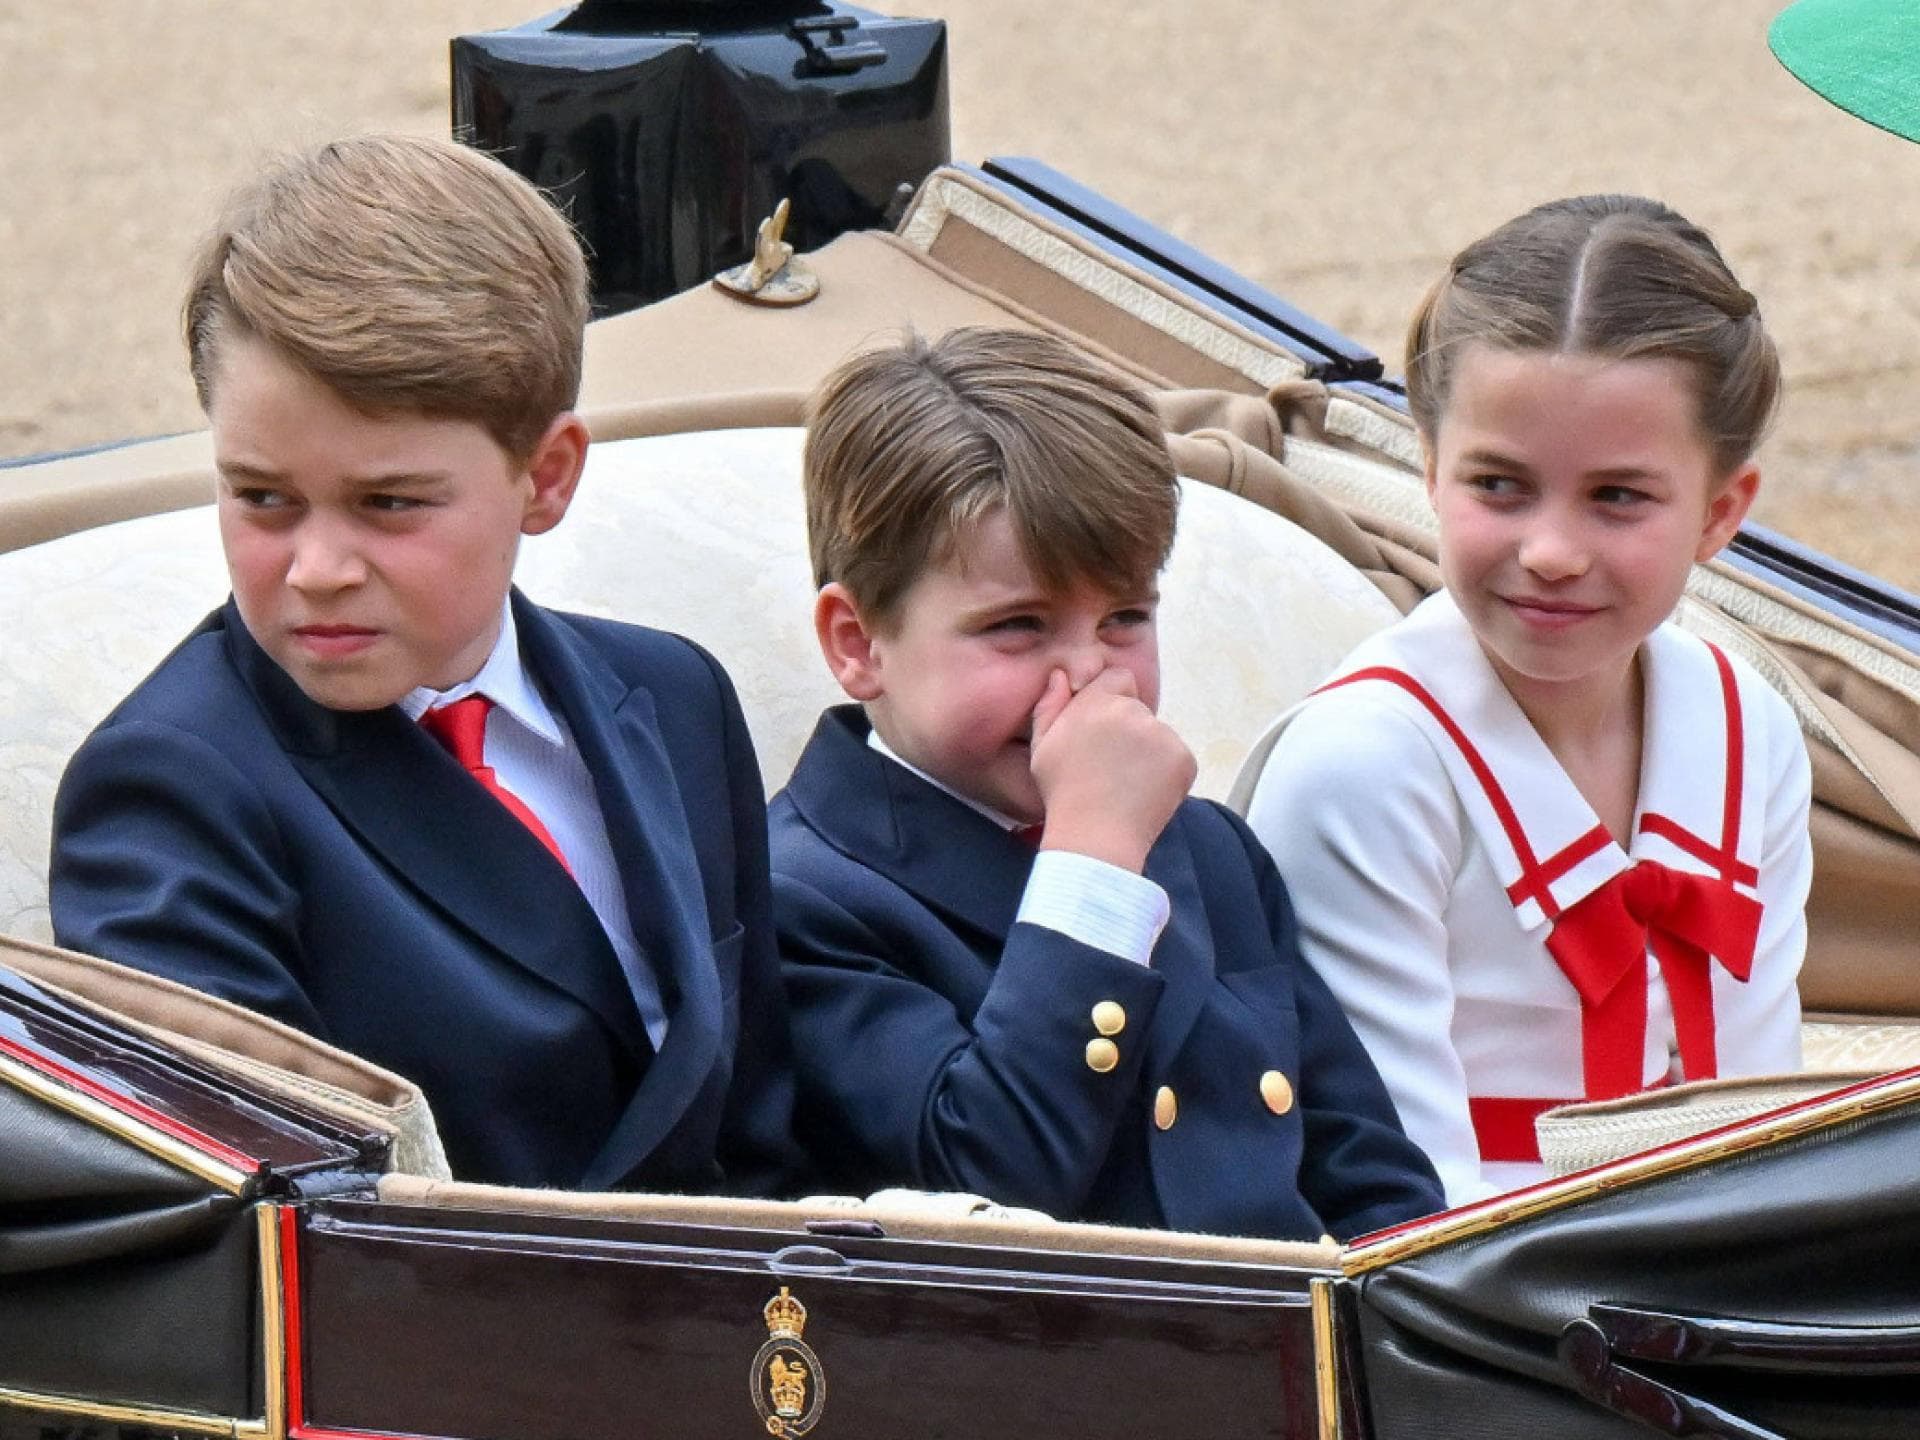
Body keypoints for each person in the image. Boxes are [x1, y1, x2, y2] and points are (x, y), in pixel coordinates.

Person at [50, 134, 800, 1195]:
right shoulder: (174, 793)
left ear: (546, 476)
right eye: (263, 497)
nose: (316, 569)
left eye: (388, 503)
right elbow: (272, 1239)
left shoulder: (675, 699)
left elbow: (767, 1126)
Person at [770, 326, 1443, 1240]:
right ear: (858, 644)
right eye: (1018, 626)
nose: (1088, 674)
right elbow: (989, 1182)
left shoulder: (1204, 847)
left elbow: (1371, 1180)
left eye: (1126, 616)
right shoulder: (798, 898)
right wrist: (1093, 858)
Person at [1242, 195, 1813, 1204]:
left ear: (1721, 513)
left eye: (1618, 497)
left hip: (1708, 1288)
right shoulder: (1363, 769)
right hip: (1457, 1307)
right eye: (1499, 485)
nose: (1550, 553)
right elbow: (1396, 1200)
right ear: (1427, 467)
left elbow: (1764, 1128)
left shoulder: (1747, 724)